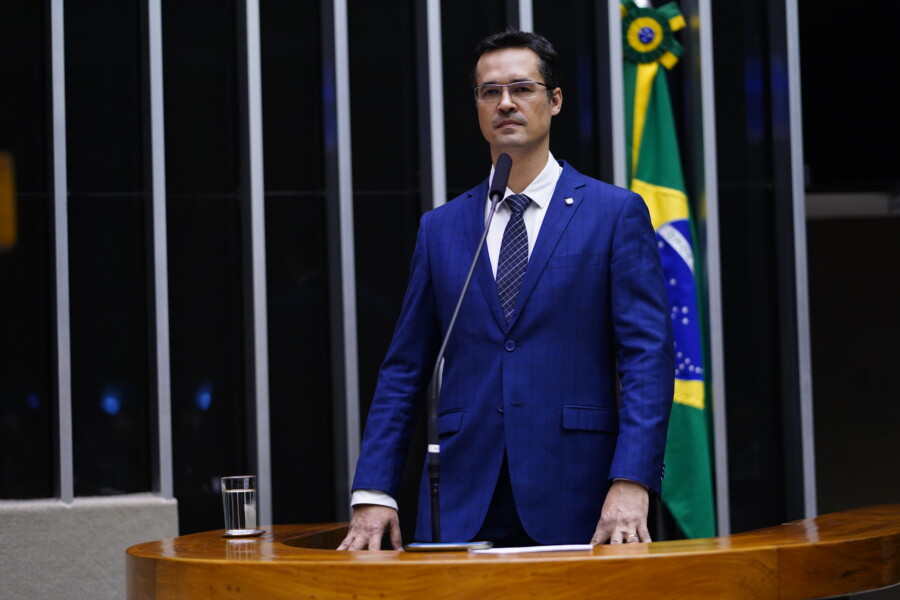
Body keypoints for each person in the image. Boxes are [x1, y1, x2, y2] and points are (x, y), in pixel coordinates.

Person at [337, 29, 673, 551]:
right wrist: (374, 488)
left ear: (554, 100)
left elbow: (647, 359)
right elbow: (404, 370)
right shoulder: (442, 227)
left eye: (522, 88)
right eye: (490, 92)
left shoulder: (613, 214)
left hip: (580, 494)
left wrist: (631, 481)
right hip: (461, 495)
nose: (506, 103)